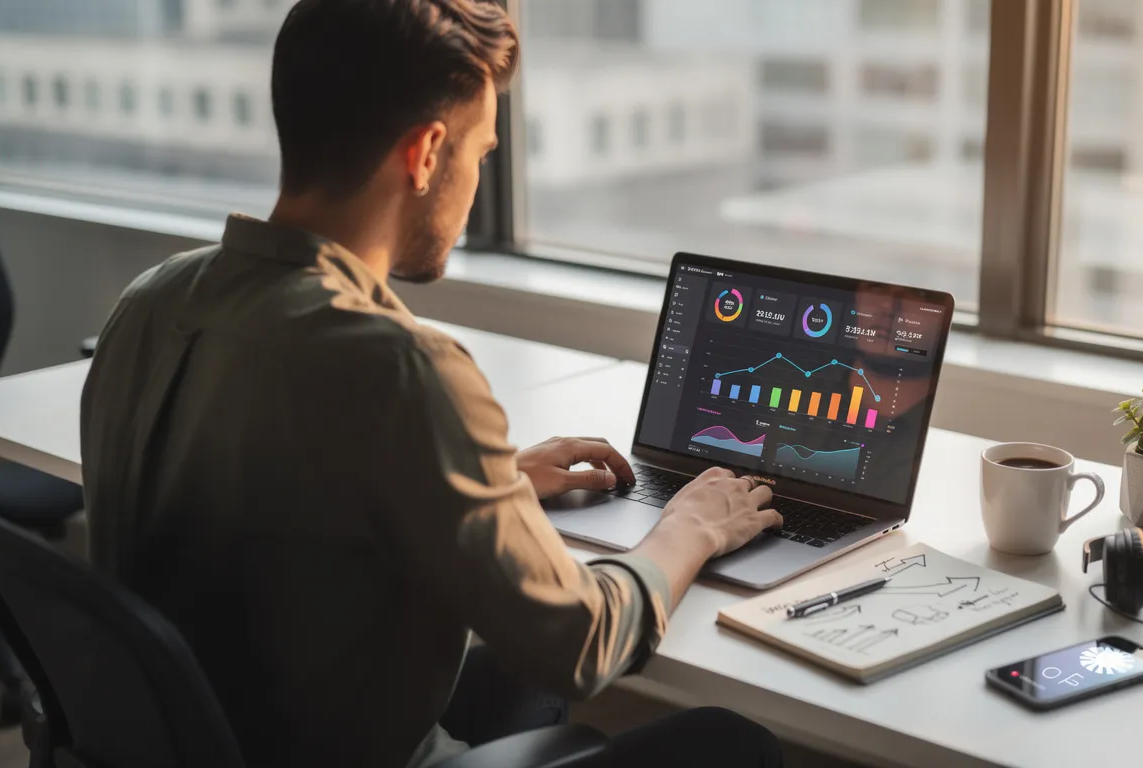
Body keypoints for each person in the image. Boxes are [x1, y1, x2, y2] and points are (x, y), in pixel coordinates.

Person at [79, 1, 784, 767]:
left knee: (515, 672)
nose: (479, 178)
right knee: (732, 742)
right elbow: (581, 644)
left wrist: (493, 483)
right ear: (424, 154)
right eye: (481, 152)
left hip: (215, 737)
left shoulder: (147, 304)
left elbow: (268, 515)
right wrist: (692, 529)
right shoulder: (404, 368)